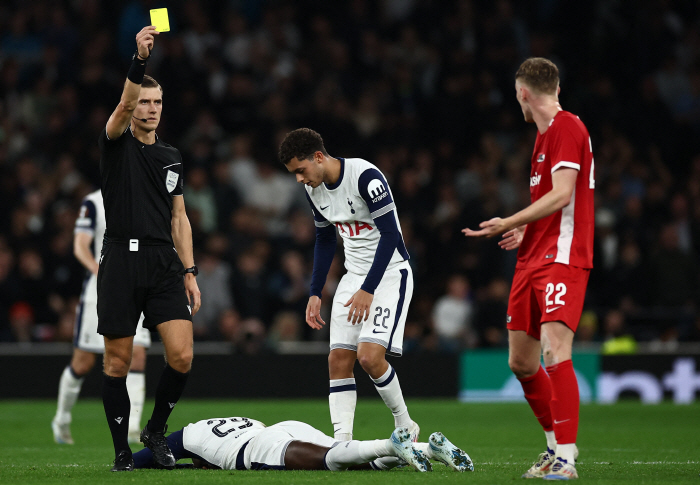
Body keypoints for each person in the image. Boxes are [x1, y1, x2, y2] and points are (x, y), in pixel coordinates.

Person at [463, 57, 594, 480]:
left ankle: (567, 458)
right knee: (521, 362)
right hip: (532, 256)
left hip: (562, 256)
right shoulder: (542, 139)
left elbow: (563, 195)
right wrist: (526, 232)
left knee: (555, 349)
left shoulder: (567, 127)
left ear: (523, 92)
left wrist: (511, 220)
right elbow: (552, 204)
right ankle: (553, 446)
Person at [98, 25, 201, 472]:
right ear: (133, 105)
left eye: (157, 102)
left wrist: (190, 271)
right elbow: (121, 105)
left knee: (182, 355)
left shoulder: (172, 156)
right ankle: (122, 451)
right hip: (121, 257)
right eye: (145, 101)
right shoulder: (115, 143)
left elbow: (180, 217)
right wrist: (140, 61)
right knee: (117, 361)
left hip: (162, 262)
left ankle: (155, 430)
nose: (151, 108)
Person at [279, 128, 419, 444]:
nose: (299, 179)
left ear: (318, 157)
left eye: (300, 170)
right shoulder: (313, 190)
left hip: (388, 275)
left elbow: (391, 236)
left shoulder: (365, 177)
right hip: (353, 276)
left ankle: (405, 423)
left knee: (369, 358)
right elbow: (326, 238)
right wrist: (315, 291)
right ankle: (342, 443)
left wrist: (368, 289)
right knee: (338, 359)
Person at [52, 190, 151, 445]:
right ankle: (61, 419)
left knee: (137, 355)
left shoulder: (144, 197)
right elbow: (80, 245)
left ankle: (132, 427)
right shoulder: (94, 202)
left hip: (134, 290)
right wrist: (99, 270)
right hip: (99, 292)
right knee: (83, 363)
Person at [132, 416, 473, 473]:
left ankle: (390, 445)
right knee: (357, 460)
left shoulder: (186, 436)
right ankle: (427, 448)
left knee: (330, 461)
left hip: (254, 447)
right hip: (283, 427)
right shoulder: (218, 423)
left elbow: (144, 459)